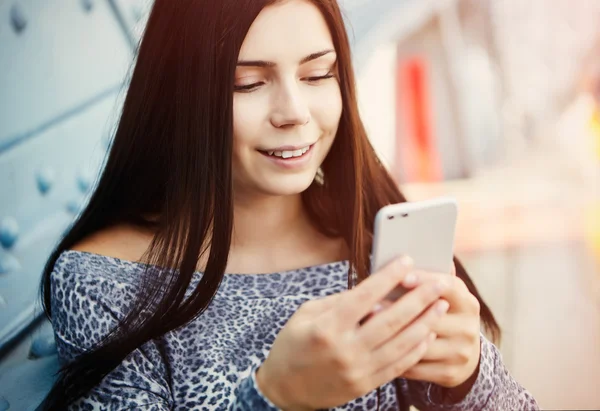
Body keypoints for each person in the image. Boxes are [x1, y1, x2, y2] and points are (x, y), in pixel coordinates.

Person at [37, 0, 540, 409]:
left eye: (318, 75)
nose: (294, 114)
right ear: (182, 96)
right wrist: (275, 398)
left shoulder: (376, 254)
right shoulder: (103, 281)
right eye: (249, 83)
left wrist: (471, 380)